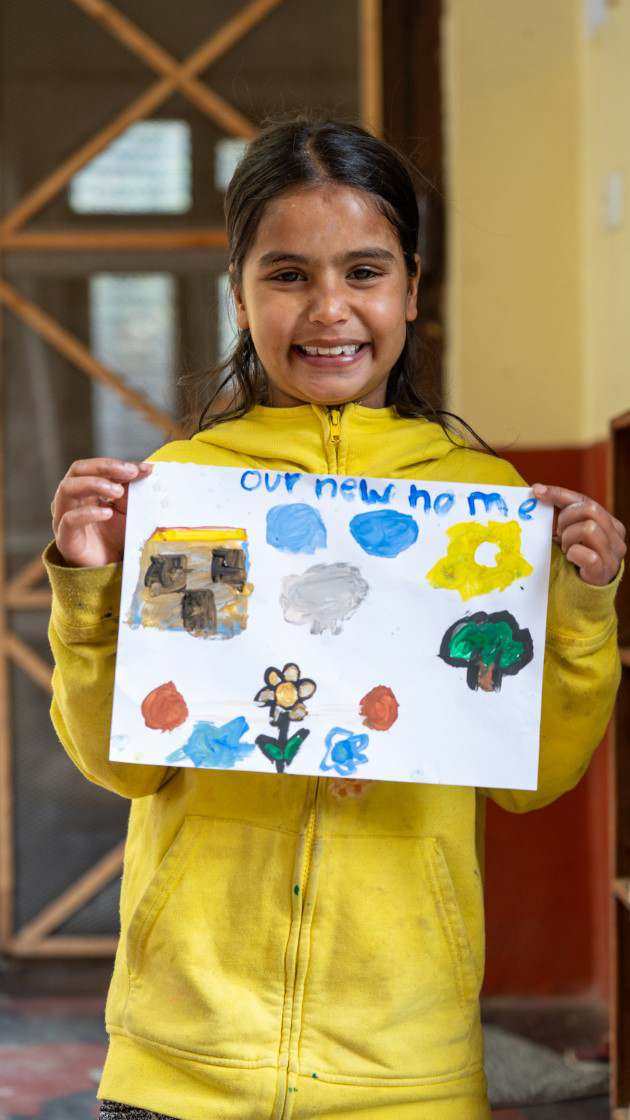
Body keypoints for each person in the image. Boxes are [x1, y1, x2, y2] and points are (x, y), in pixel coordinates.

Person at [47, 119, 625, 1120]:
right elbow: (125, 762)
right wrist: (91, 590)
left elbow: (536, 776)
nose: (328, 308)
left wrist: (578, 609)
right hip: (184, 1059)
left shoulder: (485, 510)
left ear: (411, 287)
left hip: (406, 1067)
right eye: (287, 275)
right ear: (239, 296)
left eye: (364, 271)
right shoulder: (193, 498)